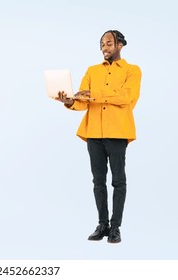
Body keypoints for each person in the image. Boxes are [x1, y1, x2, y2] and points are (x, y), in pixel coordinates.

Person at [55, 30, 141, 243]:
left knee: (118, 181)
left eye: (109, 43)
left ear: (120, 45)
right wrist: (69, 101)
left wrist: (95, 95)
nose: (105, 47)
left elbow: (127, 97)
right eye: (102, 44)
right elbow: (84, 100)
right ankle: (102, 224)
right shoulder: (92, 71)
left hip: (118, 132)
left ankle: (116, 227)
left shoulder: (132, 70)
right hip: (93, 132)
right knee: (98, 180)